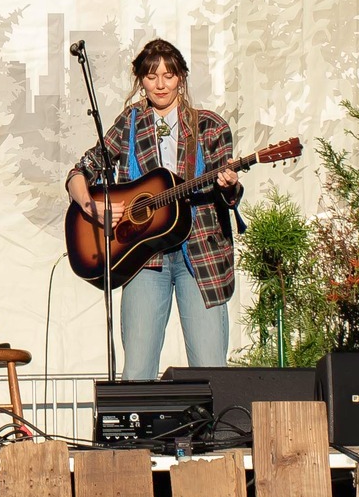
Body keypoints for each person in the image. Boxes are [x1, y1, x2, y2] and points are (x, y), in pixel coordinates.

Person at [65, 39, 244, 380]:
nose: (160, 84)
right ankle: (137, 433)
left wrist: (230, 185)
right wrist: (91, 207)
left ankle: (215, 435)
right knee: (137, 371)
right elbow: (80, 171)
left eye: (169, 75)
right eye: (151, 76)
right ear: (140, 80)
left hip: (200, 254)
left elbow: (229, 194)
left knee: (211, 370)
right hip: (143, 256)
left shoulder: (210, 126)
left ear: (181, 78)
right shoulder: (130, 123)